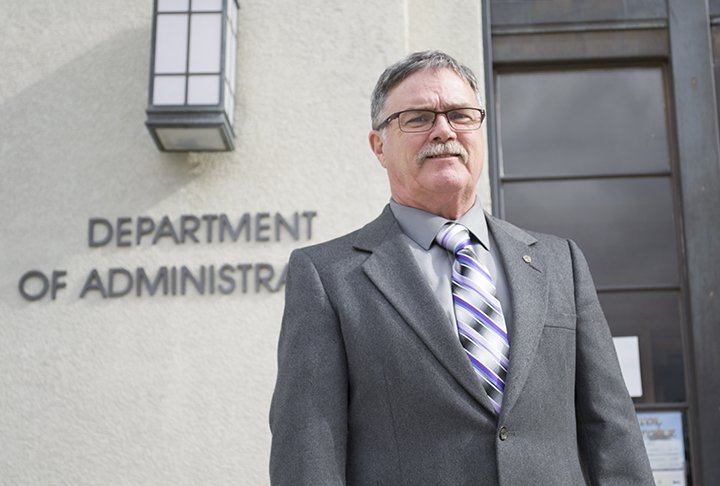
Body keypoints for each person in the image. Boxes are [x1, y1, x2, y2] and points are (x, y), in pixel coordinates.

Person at [269, 50, 654, 485]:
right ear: (379, 146)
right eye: (417, 118)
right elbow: (307, 452)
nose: (444, 130)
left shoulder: (559, 262)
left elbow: (613, 432)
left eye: (460, 115)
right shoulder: (328, 276)